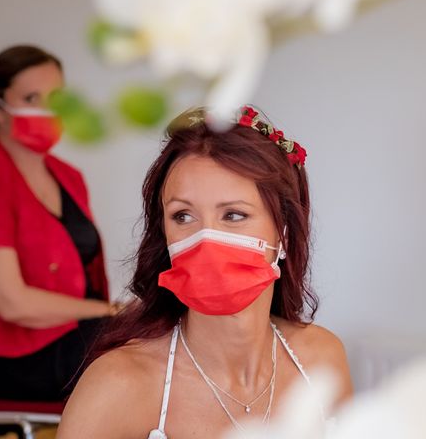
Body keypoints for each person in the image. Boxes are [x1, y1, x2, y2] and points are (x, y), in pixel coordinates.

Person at [57, 105, 353, 437]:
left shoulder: (322, 359)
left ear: (283, 234)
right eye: (183, 216)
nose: (205, 239)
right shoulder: (117, 385)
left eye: (233, 215)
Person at [0, 45, 116, 401]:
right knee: (140, 356)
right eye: (32, 98)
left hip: (73, 333)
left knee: (158, 336)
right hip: (11, 356)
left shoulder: (69, 178)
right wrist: (109, 313)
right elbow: (11, 303)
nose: (49, 111)